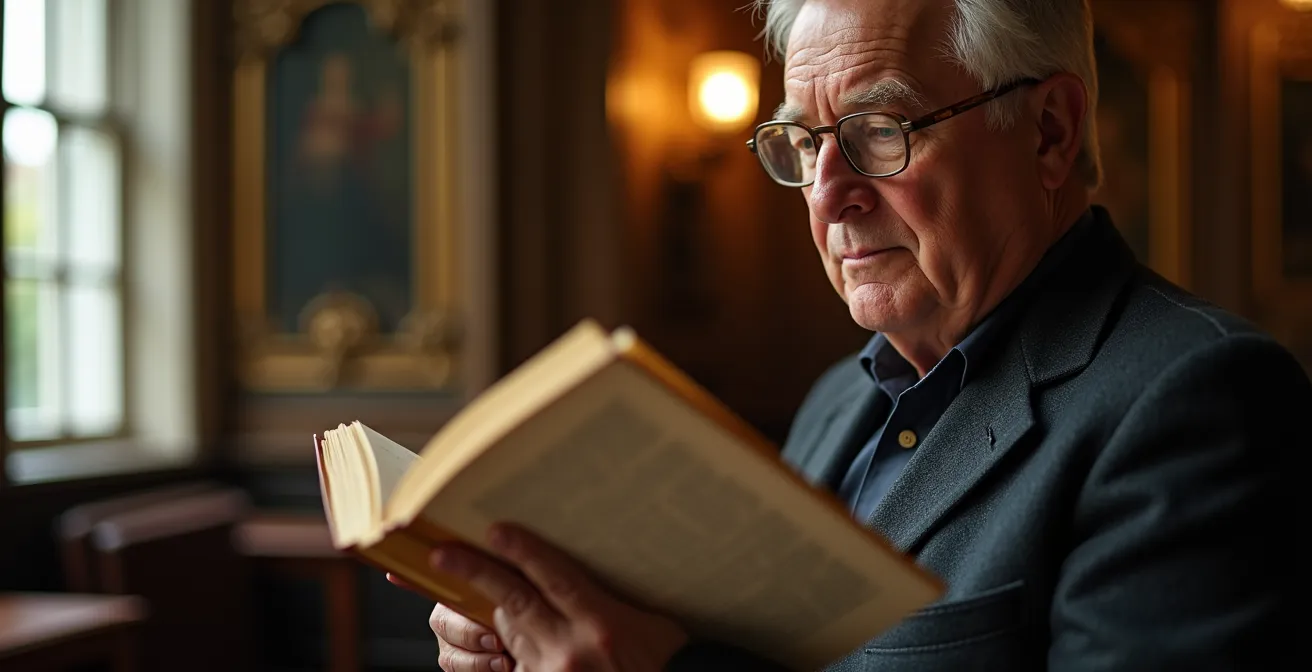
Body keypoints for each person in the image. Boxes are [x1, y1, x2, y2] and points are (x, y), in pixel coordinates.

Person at [397, 0, 1312, 669]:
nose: (829, 194)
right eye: (804, 143)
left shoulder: (1200, 402)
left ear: (1049, 131)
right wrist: (548, 630)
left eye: (881, 130)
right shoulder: (839, 402)